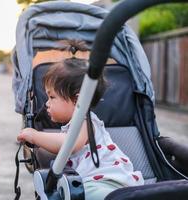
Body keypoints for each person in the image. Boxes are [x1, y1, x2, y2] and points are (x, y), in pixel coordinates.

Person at [17, 53, 144, 199]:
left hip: (109, 181)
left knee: (81, 194)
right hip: (95, 183)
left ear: (77, 100)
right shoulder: (74, 125)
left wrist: (35, 136)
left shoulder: (85, 121)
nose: (47, 103)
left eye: (52, 97)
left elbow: (70, 144)